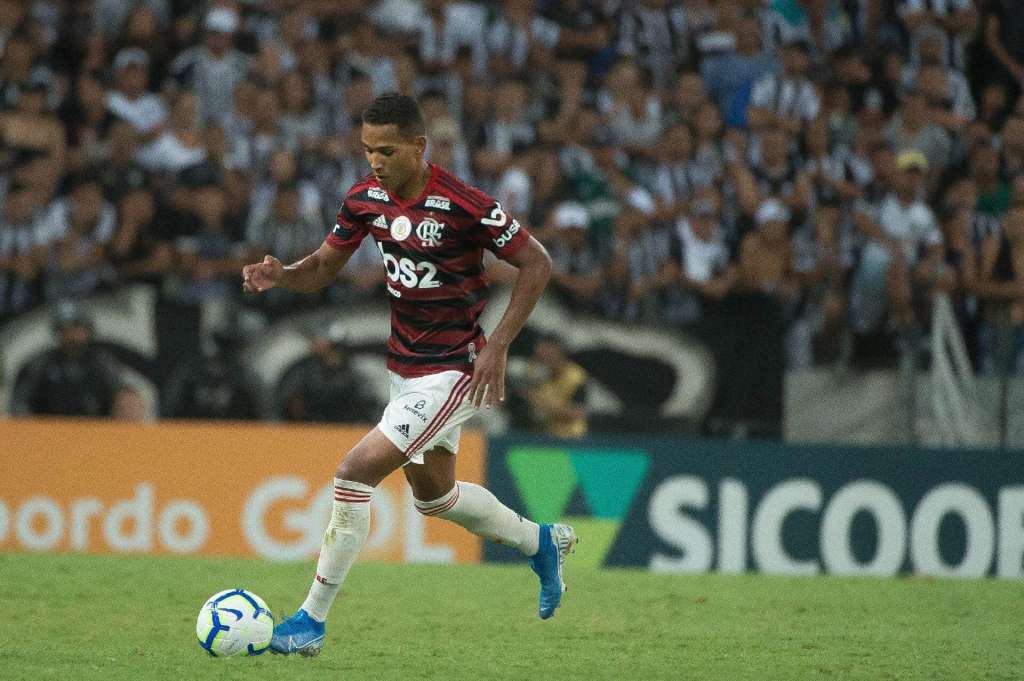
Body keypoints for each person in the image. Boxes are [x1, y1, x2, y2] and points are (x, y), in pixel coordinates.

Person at [241, 93, 576, 656]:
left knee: (353, 472)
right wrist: (284, 274)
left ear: (419, 147)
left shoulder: (464, 203)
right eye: (368, 149)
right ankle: (538, 542)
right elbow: (323, 268)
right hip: (405, 368)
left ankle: (310, 622)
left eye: (387, 150)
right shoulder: (365, 198)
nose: (375, 161)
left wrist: (498, 345)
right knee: (435, 499)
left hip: (454, 371)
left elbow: (536, 262)